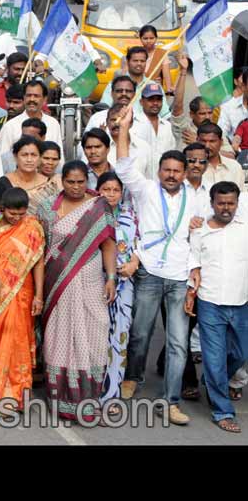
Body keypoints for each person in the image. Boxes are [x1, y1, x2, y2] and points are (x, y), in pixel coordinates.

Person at [115, 106, 203, 425]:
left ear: (184, 173)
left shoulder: (195, 199)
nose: (171, 175)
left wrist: (194, 271)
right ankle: (133, 377)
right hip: (149, 271)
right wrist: (124, 128)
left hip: (179, 277)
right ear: (159, 171)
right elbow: (124, 166)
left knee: (179, 343)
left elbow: (197, 239)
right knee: (140, 333)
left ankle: (171, 401)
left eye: (176, 171)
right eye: (166, 170)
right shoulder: (147, 191)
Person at [35, 160, 116, 421]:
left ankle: (88, 399)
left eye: (81, 182)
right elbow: (40, 248)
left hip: (91, 281)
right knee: (59, 337)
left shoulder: (98, 206)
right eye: (70, 182)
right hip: (57, 282)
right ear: (62, 181)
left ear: (88, 182)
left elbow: (108, 245)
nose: (76, 187)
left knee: (95, 332)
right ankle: (61, 400)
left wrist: (111, 277)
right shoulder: (48, 209)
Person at [187, 181, 248, 434]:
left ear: (237, 203)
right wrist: (191, 291)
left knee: (241, 353)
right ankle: (222, 411)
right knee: (213, 357)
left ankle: (215, 380)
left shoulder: (244, 227)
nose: (226, 208)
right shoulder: (199, 230)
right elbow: (193, 262)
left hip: (242, 301)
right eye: (221, 203)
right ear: (212, 203)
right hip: (210, 302)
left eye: (230, 203)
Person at [0, 186, 45, 414]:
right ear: (3, 209)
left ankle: (14, 395)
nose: (17, 218)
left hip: (22, 292)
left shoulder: (32, 227)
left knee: (16, 339)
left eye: (21, 214)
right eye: (12, 214)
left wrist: (39, 295)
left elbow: (38, 263)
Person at [95, 172, 140, 403]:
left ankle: (111, 395)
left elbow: (142, 244)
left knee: (119, 336)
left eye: (115, 190)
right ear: (98, 190)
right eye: (106, 189)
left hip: (124, 286)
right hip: (96, 283)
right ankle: (90, 391)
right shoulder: (90, 215)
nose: (110, 194)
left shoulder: (131, 216)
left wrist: (134, 262)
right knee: (96, 337)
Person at [0, 135, 60, 214]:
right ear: (15, 157)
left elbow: (55, 214)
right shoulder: (2, 185)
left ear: (40, 158)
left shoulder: (49, 185)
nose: (29, 160)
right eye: (24, 155)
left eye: (34, 155)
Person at [0, 80, 62, 154]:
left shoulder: (53, 124)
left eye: (36, 96)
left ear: (44, 99)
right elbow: (3, 158)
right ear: (24, 98)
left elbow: (59, 157)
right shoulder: (10, 126)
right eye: (28, 95)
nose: (32, 99)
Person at [198, 122, 246, 192]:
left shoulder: (235, 167)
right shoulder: (192, 168)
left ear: (221, 142)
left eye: (212, 141)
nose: (207, 146)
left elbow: (241, 197)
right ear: (197, 140)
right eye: (203, 141)